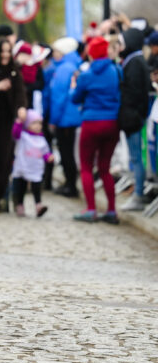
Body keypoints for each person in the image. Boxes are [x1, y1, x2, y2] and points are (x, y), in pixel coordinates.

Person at [70, 36, 121, 223]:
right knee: (105, 168)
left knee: (86, 166)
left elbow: (75, 99)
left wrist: (74, 86)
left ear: (91, 53)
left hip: (91, 122)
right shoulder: (117, 71)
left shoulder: (86, 75)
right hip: (112, 122)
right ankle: (112, 211)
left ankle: (91, 209)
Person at [0, 37, 27, 213]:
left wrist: (22, 107)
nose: (5, 55)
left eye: (8, 51)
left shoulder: (14, 69)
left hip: (7, 121)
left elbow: (20, 92)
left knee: (5, 159)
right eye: (2, 51)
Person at [118, 28, 153, 212]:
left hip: (132, 117)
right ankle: (137, 192)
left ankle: (138, 194)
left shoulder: (135, 63)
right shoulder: (135, 61)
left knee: (136, 157)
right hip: (133, 116)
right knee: (135, 157)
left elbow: (135, 94)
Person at [46, 37, 82, 198]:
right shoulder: (73, 65)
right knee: (68, 152)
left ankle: (70, 186)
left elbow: (58, 97)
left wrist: (53, 120)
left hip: (64, 118)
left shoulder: (64, 69)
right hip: (71, 116)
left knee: (66, 152)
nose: (54, 54)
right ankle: (70, 184)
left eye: (56, 51)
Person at [11, 109, 53, 217]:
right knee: (21, 187)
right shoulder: (23, 136)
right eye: (34, 123)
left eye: (40, 123)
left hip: (36, 169)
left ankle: (38, 205)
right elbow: (15, 134)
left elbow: (45, 152)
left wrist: (49, 157)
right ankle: (20, 205)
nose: (38, 126)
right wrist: (19, 121)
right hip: (22, 167)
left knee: (36, 188)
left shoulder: (42, 139)